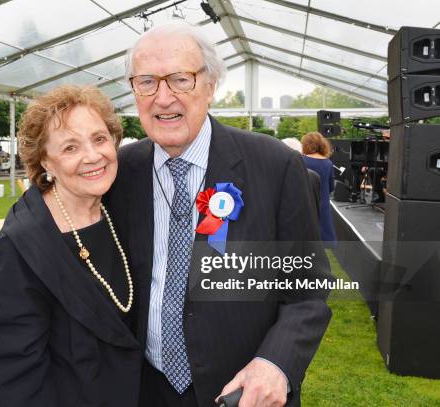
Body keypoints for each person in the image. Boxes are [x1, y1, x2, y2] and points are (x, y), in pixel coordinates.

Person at [107, 23, 332, 407]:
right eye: (146, 82)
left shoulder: (275, 166)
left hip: (242, 392)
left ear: (211, 86)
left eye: (181, 79)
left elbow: (308, 293)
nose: (163, 98)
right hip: (142, 390)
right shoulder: (118, 172)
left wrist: (275, 363)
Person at [0, 86, 141, 406]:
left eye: (99, 138)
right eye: (70, 147)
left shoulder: (114, 209)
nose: (93, 156)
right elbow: (13, 382)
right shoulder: (20, 249)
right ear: (45, 162)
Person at [301, 132, 337, 245]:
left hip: (306, 202)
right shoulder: (328, 163)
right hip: (323, 203)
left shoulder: (301, 160)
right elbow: (331, 186)